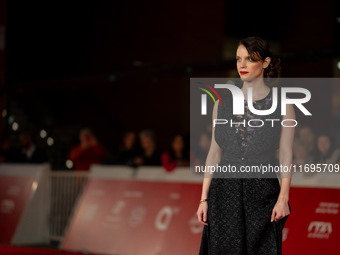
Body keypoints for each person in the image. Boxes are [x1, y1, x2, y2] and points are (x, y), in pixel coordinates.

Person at [197, 36, 295, 254]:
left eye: (250, 59)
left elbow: (286, 154)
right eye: (238, 59)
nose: (242, 64)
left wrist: (284, 198)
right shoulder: (221, 104)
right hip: (223, 193)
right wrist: (204, 198)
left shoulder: (283, 105)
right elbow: (214, 153)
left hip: (262, 194)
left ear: (266, 63)